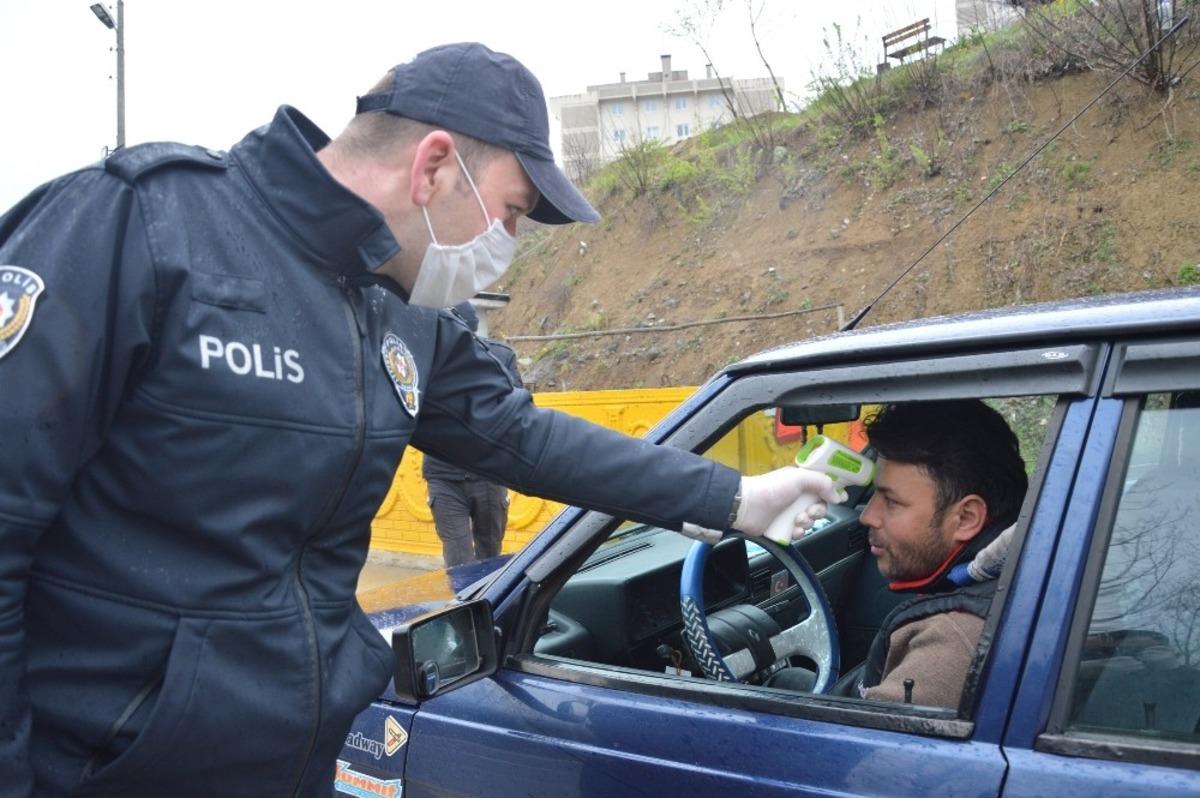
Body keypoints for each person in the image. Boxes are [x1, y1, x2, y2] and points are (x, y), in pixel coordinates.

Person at [0, 42, 837, 796]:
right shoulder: (144, 225)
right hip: (107, 769)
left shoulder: (407, 313)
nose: (508, 242)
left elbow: (528, 438)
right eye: (511, 212)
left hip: (288, 767)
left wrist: (734, 498)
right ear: (434, 166)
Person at [852, 400, 1028, 708]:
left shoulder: (952, 644)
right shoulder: (1020, 569)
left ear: (966, 518)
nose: (868, 516)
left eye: (891, 502)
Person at [423, 302, 522, 567]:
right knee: (458, 560)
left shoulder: (500, 357)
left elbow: (515, 407)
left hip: (489, 473)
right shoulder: (426, 360)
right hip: (444, 477)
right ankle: (464, 596)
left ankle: (491, 596)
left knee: (490, 555)